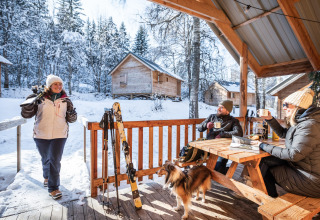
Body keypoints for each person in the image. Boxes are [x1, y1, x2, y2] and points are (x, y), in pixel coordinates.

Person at [21, 74, 77, 200]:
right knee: (46, 158)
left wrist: (72, 114)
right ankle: (47, 177)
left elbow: (71, 119)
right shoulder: (39, 98)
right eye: (55, 84)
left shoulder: (65, 100)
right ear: (49, 86)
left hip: (59, 134)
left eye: (60, 84)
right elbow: (26, 114)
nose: (59, 86)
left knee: (54, 160)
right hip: (41, 133)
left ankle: (54, 188)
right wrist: (29, 103)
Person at [257, 88, 320, 198]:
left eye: (287, 104)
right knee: (264, 161)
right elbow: (284, 134)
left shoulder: (309, 125)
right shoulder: (303, 122)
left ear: (297, 106)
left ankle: (269, 200)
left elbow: (293, 154)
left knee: (264, 169)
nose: (284, 108)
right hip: (302, 169)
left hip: (312, 181)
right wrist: (270, 119)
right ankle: (262, 191)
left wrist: (262, 145)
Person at [197, 100, 243, 174]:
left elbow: (239, 133)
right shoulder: (212, 117)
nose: (218, 109)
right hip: (208, 147)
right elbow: (199, 128)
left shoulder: (233, 121)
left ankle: (226, 170)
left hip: (222, 150)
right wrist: (206, 125)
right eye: (218, 107)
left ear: (227, 111)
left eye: (221, 107)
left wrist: (222, 134)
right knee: (192, 157)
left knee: (218, 169)